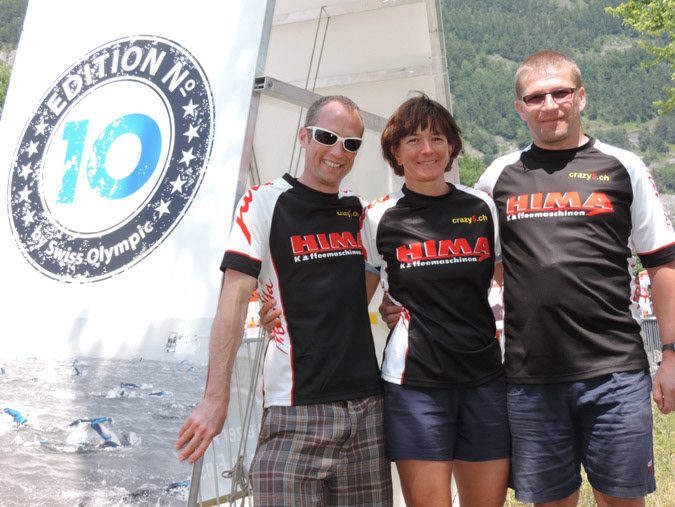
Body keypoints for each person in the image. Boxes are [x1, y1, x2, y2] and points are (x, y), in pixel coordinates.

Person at [384, 51, 675, 506]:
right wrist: (407, 300)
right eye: (536, 97)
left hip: (615, 373)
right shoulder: (497, 178)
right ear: (520, 108)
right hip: (530, 379)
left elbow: (663, 265)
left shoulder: (624, 166)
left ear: (581, 97)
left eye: (561, 93)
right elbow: (461, 253)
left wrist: (671, 354)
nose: (550, 105)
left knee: (622, 500)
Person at [175, 95, 392, 506]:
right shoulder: (264, 201)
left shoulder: (359, 211)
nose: (337, 151)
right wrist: (216, 397)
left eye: (350, 144)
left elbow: (378, 273)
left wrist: (392, 305)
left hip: (366, 410)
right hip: (295, 410)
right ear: (304, 136)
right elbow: (233, 301)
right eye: (327, 137)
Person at [361, 94, 509, 507]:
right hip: (415, 386)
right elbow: (353, 297)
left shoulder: (481, 207)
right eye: (413, 140)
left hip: (484, 377)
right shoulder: (377, 216)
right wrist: (277, 311)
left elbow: (511, 281)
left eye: (437, 138)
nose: (427, 149)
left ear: (451, 148)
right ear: (396, 152)